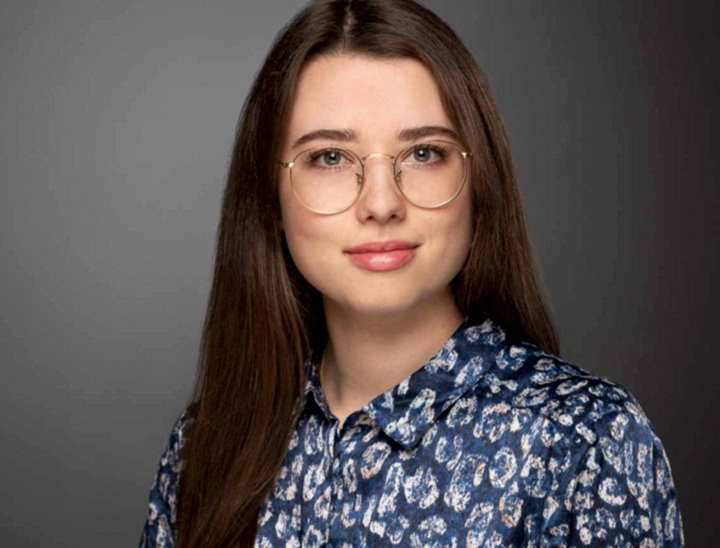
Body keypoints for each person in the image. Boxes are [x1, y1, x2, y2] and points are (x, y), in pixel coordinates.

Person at [138, 0, 685, 546]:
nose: (381, 203)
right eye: (330, 157)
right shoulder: (205, 449)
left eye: (424, 153)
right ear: (271, 199)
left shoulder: (584, 441)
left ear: (479, 180)